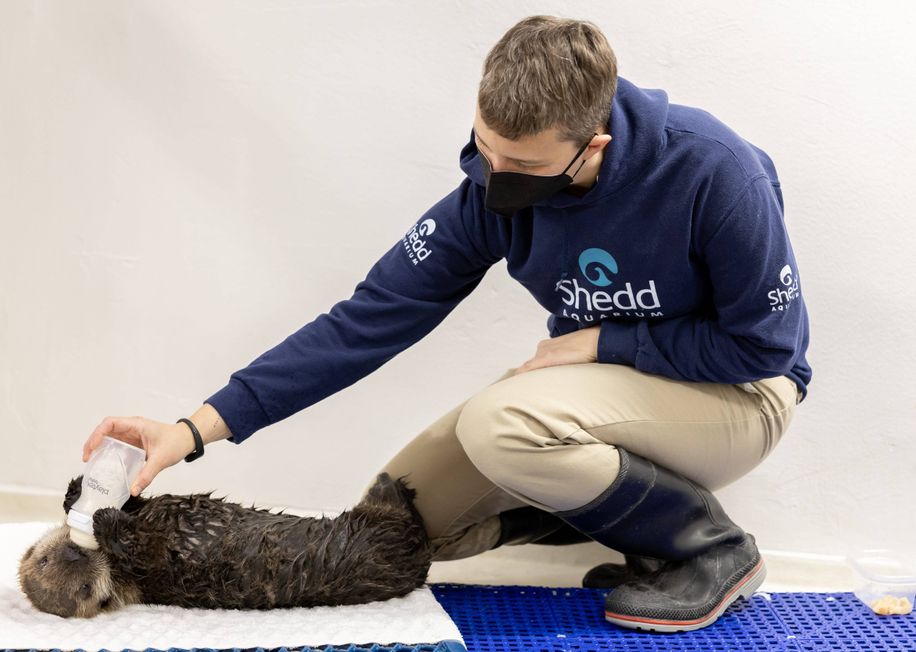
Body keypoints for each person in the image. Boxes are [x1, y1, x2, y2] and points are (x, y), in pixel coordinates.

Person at [82, 15, 810, 632]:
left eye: (519, 164)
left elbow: (767, 349)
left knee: (502, 425)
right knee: (393, 523)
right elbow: (366, 320)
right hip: (607, 395)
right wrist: (192, 430)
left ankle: (712, 549)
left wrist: (605, 340)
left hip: (740, 399)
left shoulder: (715, 172)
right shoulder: (490, 191)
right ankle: (610, 513)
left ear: (593, 148)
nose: (493, 177)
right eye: (483, 148)